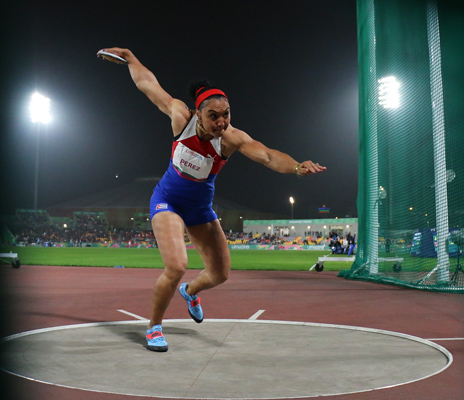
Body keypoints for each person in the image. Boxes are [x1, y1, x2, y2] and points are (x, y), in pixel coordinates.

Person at [97, 47, 327, 352]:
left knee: (220, 274)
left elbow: (268, 156)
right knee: (177, 264)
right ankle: (153, 327)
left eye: (226, 115)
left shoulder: (232, 138)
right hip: (167, 201)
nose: (221, 122)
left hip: (199, 208)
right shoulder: (181, 117)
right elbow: (147, 85)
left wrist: (297, 167)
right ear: (199, 114)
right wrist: (129, 56)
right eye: (214, 116)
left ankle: (190, 291)